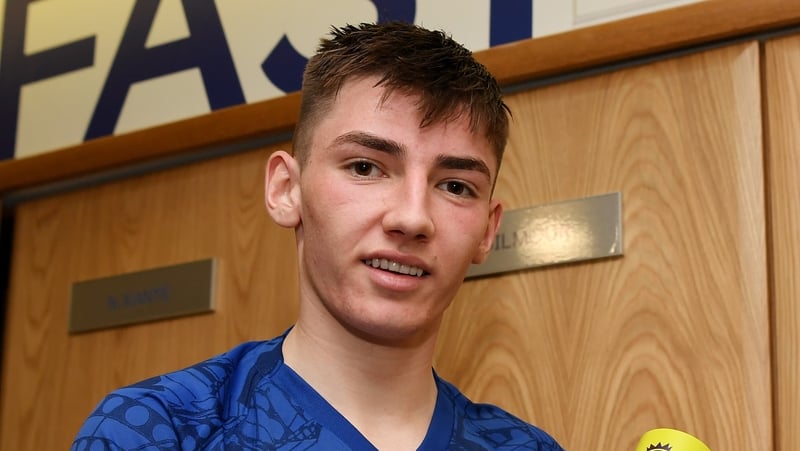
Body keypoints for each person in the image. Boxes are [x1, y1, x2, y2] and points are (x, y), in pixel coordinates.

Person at [72, 22, 564, 451]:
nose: (413, 218)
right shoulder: (156, 432)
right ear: (287, 190)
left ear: (487, 229)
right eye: (366, 167)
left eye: (456, 186)